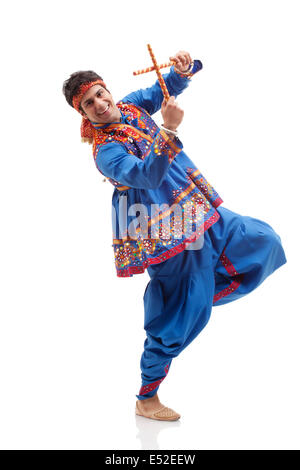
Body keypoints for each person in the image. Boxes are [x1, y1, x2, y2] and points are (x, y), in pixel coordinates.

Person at [62, 51, 287, 421]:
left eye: (101, 94)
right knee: (174, 320)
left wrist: (184, 68)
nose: (101, 104)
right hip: (165, 232)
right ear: (83, 114)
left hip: (198, 209)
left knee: (264, 241)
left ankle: (195, 299)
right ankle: (147, 396)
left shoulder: (131, 107)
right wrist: (168, 131)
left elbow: (165, 87)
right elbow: (147, 176)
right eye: (89, 103)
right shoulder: (106, 151)